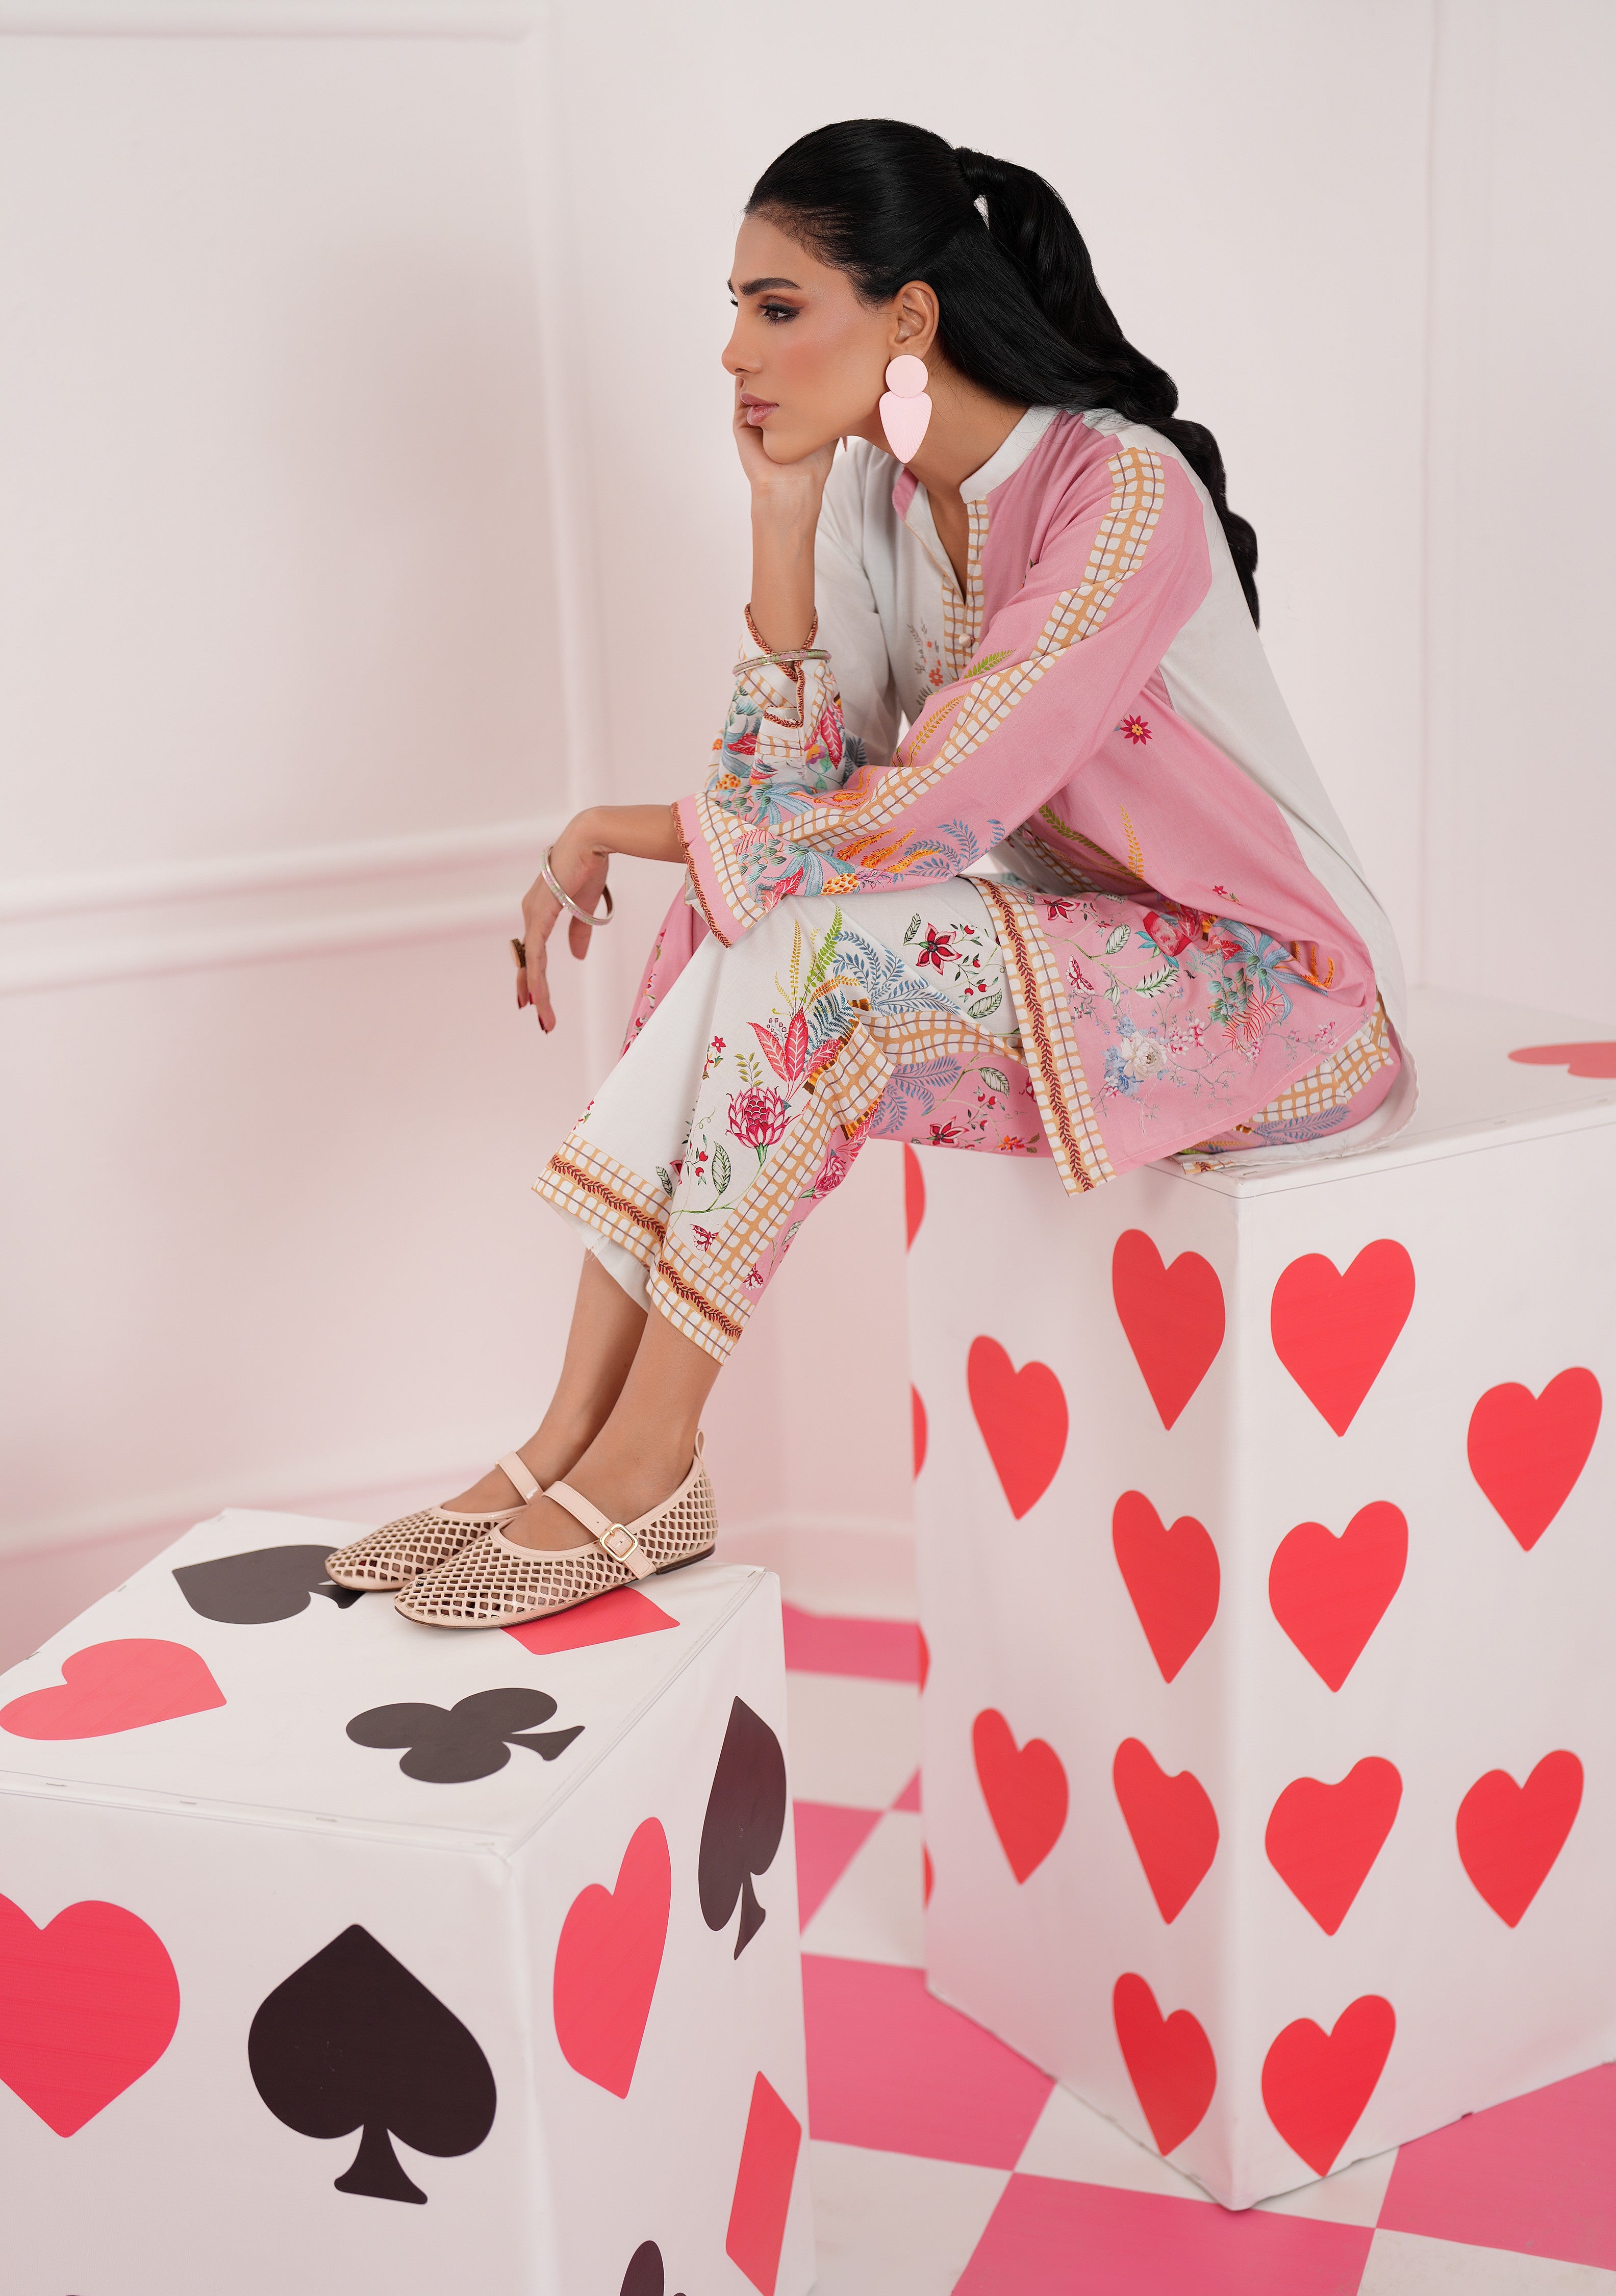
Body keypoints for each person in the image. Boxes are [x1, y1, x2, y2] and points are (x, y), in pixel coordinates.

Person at [329, 117, 1410, 1628]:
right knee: (737, 916)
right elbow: (778, 809)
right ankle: (572, 1433)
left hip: (1271, 1001)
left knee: (802, 950)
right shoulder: (875, 496)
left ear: (908, 318)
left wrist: (616, 826)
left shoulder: (1123, 491)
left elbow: (942, 807)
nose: (735, 352)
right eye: (735, 308)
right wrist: (780, 520)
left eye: (778, 308)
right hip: (1074, 966)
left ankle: (649, 1459)